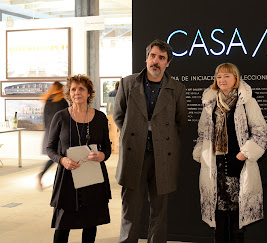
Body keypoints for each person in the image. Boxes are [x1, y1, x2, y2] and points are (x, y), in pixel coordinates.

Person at [113, 39, 188, 243]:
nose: (156, 61)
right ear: (146, 58)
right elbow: (118, 116)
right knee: (130, 208)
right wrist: (133, 133)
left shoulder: (177, 89)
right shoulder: (128, 84)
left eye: (161, 58)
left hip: (162, 156)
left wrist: (162, 140)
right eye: (153, 56)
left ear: (167, 63)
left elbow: (181, 122)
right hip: (133, 154)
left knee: (159, 210)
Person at [193, 63, 267, 242]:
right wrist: (202, 154)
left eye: (227, 76)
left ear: (236, 78)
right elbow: (203, 132)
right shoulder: (210, 103)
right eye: (219, 76)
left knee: (237, 219)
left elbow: (260, 132)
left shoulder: (247, 101)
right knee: (217, 217)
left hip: (237, 164)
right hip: (215, 167)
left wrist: (244, 154)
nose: (222, 80)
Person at [47, 74, 112, 243]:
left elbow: (107, 147)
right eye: (73, 89)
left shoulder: (100, 118)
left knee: (90, 225)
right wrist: (62, 160)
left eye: (81, 88)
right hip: (67, 177)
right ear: (69, 92)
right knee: (62, 226)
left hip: (92, 176)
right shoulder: (60, 117)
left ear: (89, 92)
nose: (77, 92)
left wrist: (103, 155)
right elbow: (50, 148)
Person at [37, 81, 69, 190]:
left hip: (49, 133)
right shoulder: (62, 102)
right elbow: (66, 119)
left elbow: (45, 120)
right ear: (60, 89)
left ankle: (44, 175)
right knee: (61, 156)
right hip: (60, 133)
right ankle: (59, 180)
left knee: (57, 156)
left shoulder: (47, 101)